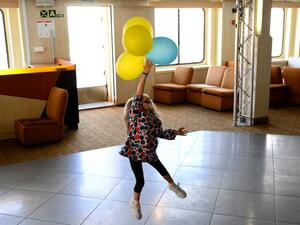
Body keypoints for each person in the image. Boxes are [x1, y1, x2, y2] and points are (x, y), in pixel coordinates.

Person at [119, 59, 188, 220]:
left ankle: (172, 186)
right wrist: (145, 73)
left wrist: (176, 132)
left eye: (148, 99)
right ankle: (135, 203)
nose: (147, 101)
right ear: (137, 105)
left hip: (149, 151)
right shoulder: (136, 113)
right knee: (140, 182)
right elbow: (138, 93)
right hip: (134, 151)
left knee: (162, 170)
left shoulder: (154, 119)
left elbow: (161, 133)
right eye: (144, 100)